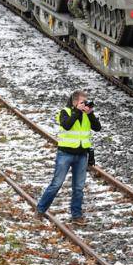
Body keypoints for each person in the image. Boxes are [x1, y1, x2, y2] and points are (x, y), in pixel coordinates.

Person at [36, 90, 101, 226]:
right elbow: (67, 125)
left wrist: (91, 114)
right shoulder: (64, 112)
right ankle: (40, 210)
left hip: (82, 155)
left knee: (78, 188)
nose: (85, 104)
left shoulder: (86, 115)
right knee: (56, 184)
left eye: (85, 102)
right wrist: (77, 112)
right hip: (65, 154)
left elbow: (97, 128)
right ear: (75, 102)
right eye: (82, 102)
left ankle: (76, 215)